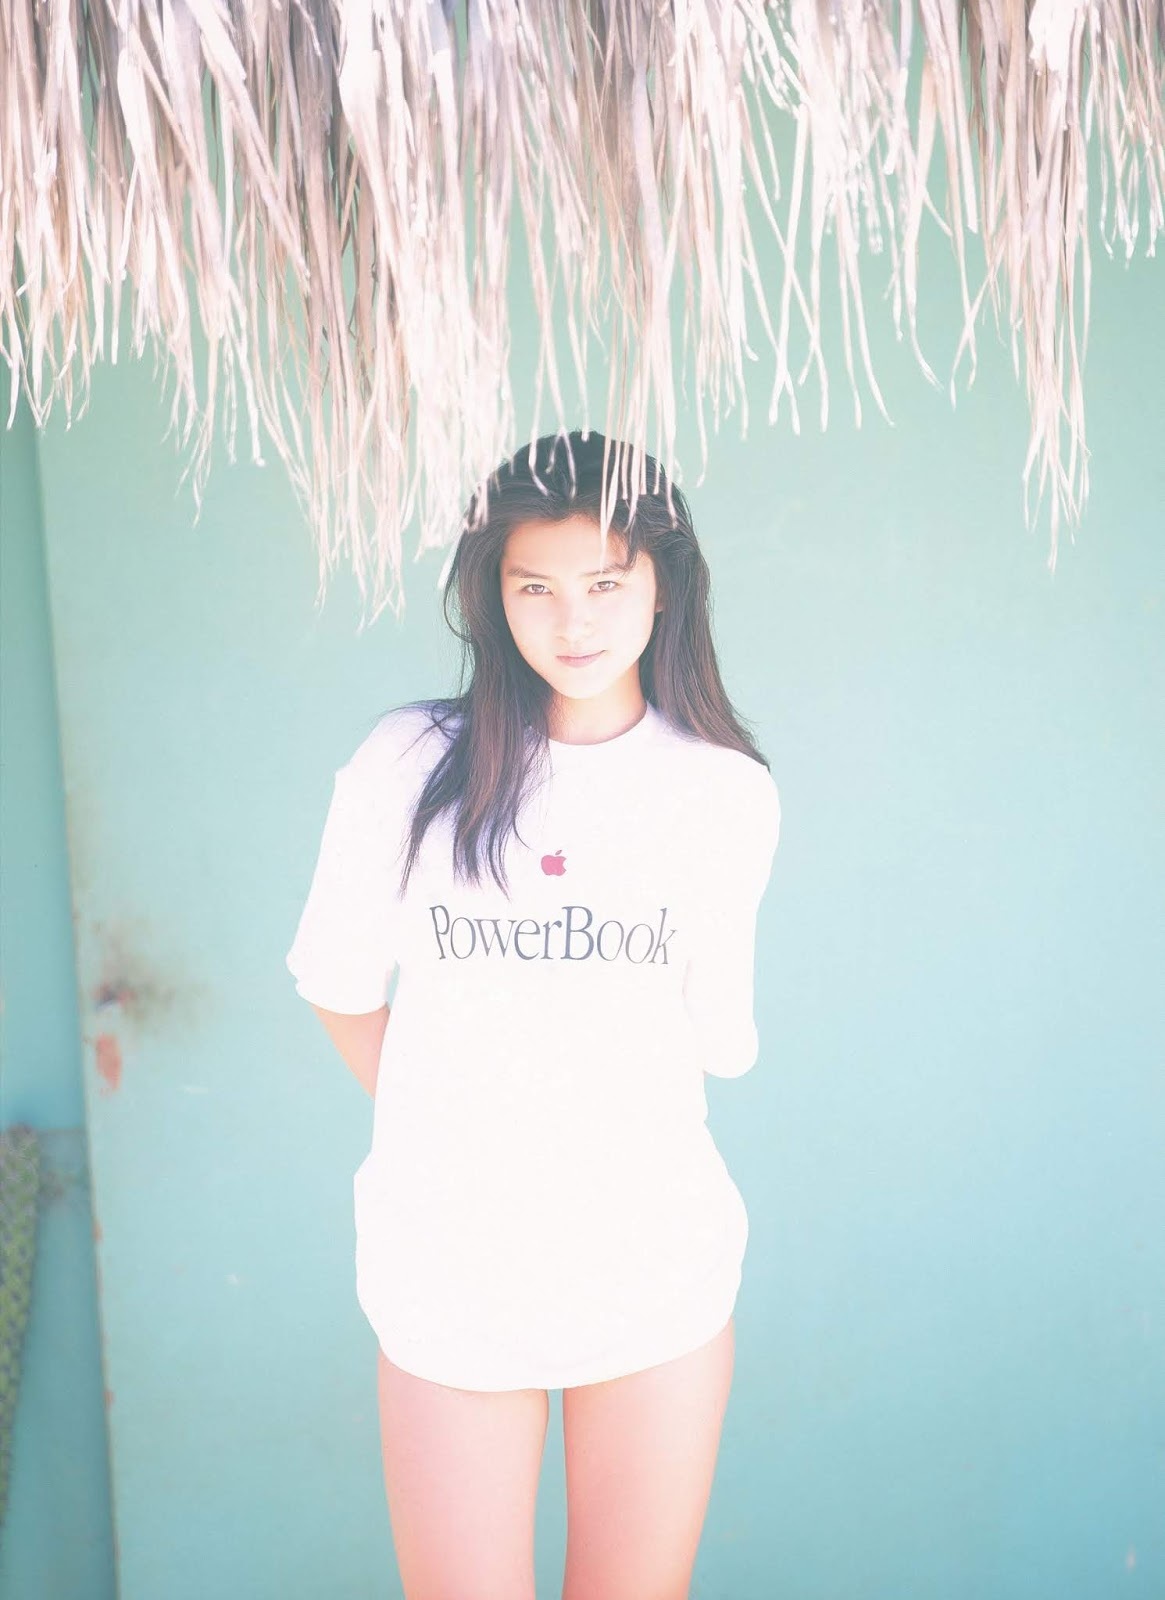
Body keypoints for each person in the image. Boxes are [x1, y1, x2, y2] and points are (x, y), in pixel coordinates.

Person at [285, 429, 781, 1600]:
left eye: (604, 583)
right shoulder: (408, 764)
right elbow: (338, 986)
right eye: (534, 588)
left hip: (653, 1268)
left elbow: (717, 1039)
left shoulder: (721, 792)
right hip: (449, 1269)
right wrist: (460, 1121)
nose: (573, 622)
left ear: (662, 583)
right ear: (491, 596)